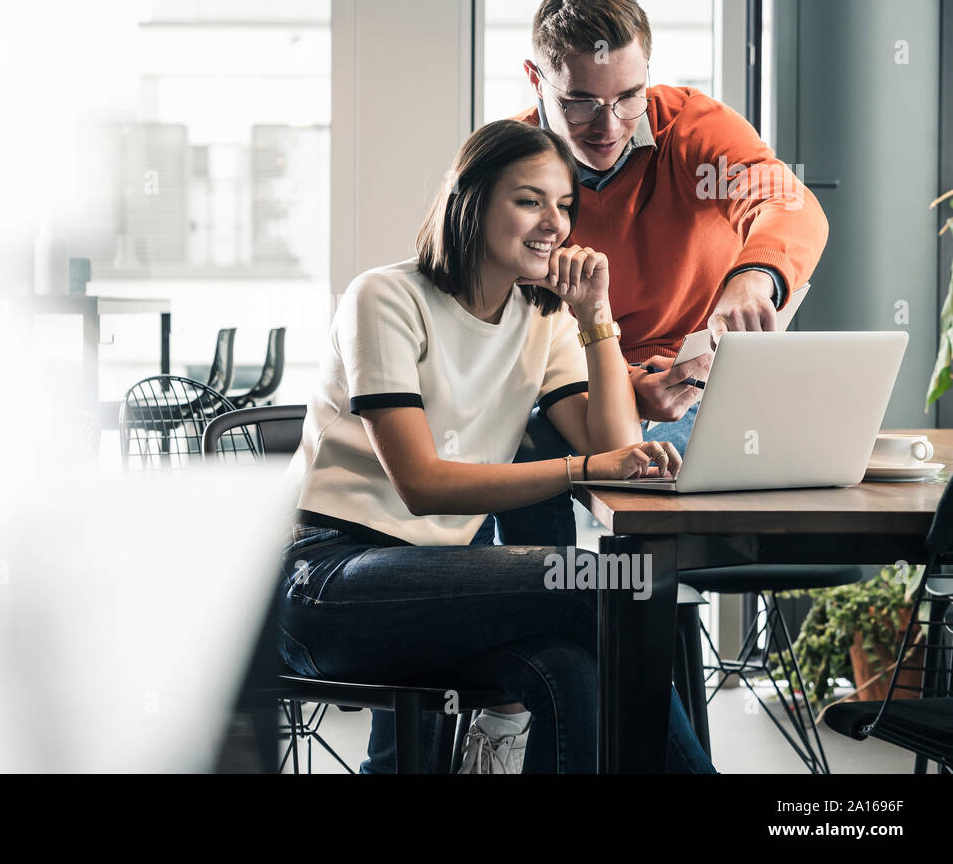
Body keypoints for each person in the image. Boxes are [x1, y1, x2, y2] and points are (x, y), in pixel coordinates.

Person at [280, 118, 716, 773]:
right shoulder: (385, 297)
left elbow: (617, 453)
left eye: (565, 204)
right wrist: (580, 469)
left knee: (573, 670)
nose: (555, 224)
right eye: (529, 200)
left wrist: (598, 317)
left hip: (446, 588)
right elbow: (421, 484)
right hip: (329, 581)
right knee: (604, 581)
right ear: (472, 199)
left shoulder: (544, 318)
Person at [497, 0, 829, 549]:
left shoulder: (695, 128)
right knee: (525, 448)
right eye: (580, 103)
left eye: (629, 97)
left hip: (695, 381)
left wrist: (757, 277)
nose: (608, 126)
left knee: (659, 487)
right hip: (565, 386)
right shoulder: (506, 166)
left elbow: (787, 201)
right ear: (536, 78)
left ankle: (634, 624)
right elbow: (509, 334)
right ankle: (552, 617)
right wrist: (624, 387)